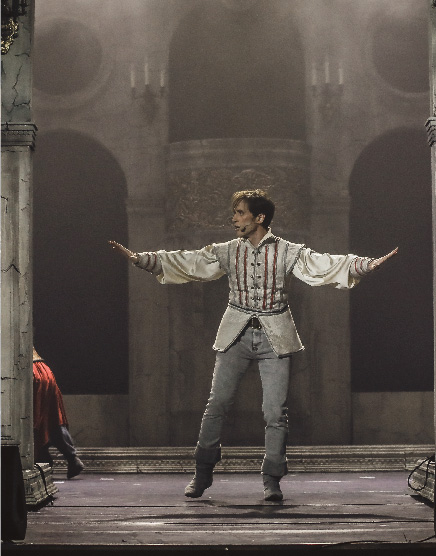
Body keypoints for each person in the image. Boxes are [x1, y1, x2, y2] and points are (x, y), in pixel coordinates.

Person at [109, 189, 397, 501]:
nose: (234, 219)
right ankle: (202, 472)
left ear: (259, 218)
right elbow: (190, 261)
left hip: (276, 337)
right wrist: (141, 259)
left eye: (240, 213)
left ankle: (272, 479)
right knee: (216, 405)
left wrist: (365, 265)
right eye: (235, 213)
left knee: (275, 412)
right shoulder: (227, 250)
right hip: (236, 334)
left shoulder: (287, 251)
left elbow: (322, 265)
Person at [33, 347, 84, 479]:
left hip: (32, 373)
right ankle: (71, 457)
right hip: (44, 371)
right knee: (53, 417)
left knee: (35, 419)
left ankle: (43, 458)